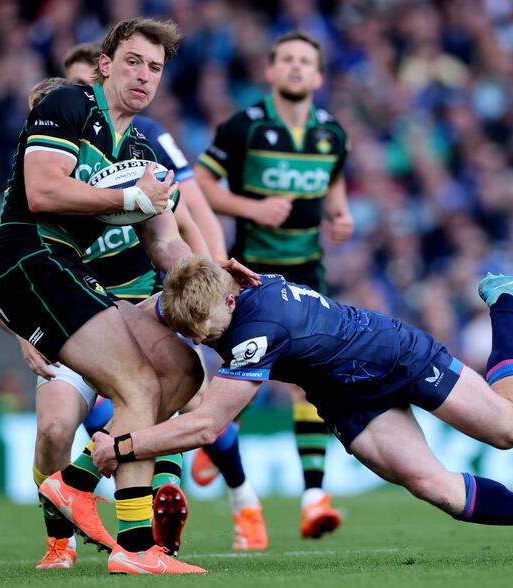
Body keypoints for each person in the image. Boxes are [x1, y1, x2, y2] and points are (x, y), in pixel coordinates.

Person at [93, 256, 513, 562]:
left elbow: (206, 426)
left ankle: (506, 302)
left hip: (396, 356)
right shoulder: (207, 295)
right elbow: (145, 312)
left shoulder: (259, 329)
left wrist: (121, 446)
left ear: (230, 300)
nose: (202, 339)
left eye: (207, 328)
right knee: (436, 489)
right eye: (192, 332)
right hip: (346, 398)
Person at [0, 17, 256, 575]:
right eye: (133, 61)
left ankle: (92, 500)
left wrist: (213, 276)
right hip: (30, 260)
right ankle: (120, 537)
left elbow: (164, 243)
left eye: (154, 67)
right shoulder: (67, 103)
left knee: (181, 372)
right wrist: (134, 198)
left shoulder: (138, 149)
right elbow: (42, 191)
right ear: (105, 65)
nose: (144, 75)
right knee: (134, 384)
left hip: (68, 271)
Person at [63, 43, 267, 551]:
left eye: (88, 85)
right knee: (125, 406)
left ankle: (237, 498)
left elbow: (190, 213)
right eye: (73, 88)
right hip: (80, 301)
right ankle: (124, 504)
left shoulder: (147, 137)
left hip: (144, 294)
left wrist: (210, 278)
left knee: (184, 396)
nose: (83, 96)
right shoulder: (57, 146)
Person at [194, 30, 353, 539]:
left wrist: (339, 213)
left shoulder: (333, 133)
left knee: (313, 379)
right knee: (244, 375)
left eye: (305, 60)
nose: (296, 67)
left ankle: (314, 498)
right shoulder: (243, 126)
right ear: (270, 70)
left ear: (319, 75)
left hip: (307, 274)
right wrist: (253, 208)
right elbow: (199, 185)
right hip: (250, 274)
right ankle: (219, 433)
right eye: (286, 59)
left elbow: (334, 179)